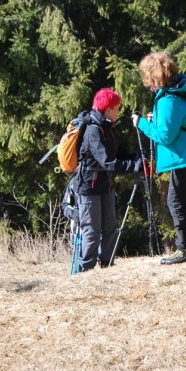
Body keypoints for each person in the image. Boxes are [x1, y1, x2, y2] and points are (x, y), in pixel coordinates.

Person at [132, 52, 186, 265]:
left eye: (146, 77)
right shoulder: (180, 89)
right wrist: (155, 119)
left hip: (184, 157)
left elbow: (164, 136)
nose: (145, 81)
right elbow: (175, 122)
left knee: (175, 201)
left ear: (155, 77)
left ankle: (185, 248)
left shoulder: (169, 99)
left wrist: (141, 123)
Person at [73, 88, 141, 270]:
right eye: (117, 108)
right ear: (108, 108)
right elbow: (108, 161)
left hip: (105, 185)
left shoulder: (108, 127)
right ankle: (86, 271)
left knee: (111, 229)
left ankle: (107, 266)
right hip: (88, 186)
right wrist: (133, 166)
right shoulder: (93, 130)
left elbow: (119, 153)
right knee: (92, 232)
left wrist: (137, 158)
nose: (119, 111)